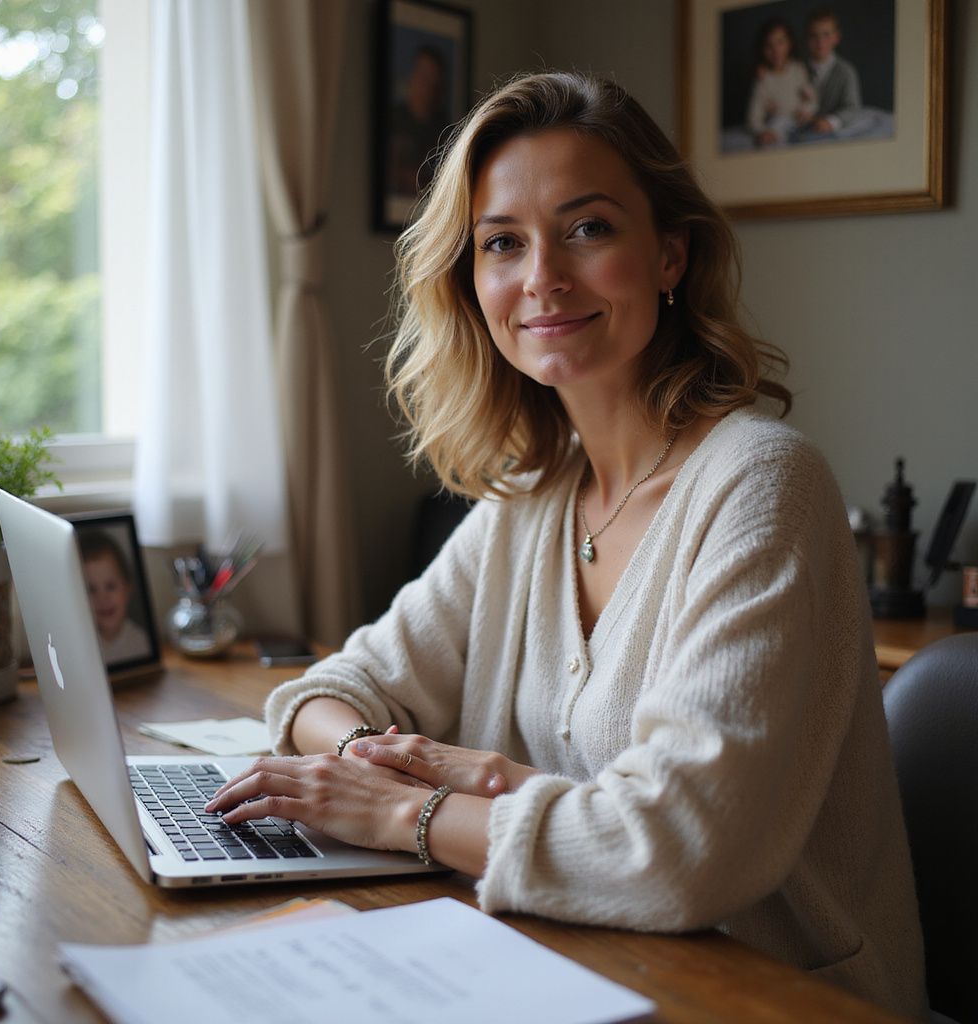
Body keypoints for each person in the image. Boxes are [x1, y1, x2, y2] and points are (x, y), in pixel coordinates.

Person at [208, 72, 925, 1018]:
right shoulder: (533, 498)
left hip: (763, 991)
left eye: (588, 228)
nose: (541, 275)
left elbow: (678, 854)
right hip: (570, 964)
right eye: (502, 242)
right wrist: (359, 766)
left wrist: (396, 811)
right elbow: (336, 688)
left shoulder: (764, 486)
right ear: (472, 281)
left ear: (669, 255)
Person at [79, 530, 149, 664]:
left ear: (128, 588)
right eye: (91, 589)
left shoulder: (142, 643)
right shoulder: (80, 644)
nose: (102, 598)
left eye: (110, 586)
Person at [387, 45, 449, 198]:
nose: (427, 87)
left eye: (434, 81)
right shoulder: (394, 119)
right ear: (412, 78)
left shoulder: (445, 130)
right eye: (423, 77)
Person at [745, 19, 817, 147]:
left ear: (789, 44)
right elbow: (753, 117)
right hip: (777, 126)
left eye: (780, 43)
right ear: (762, 49)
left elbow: (811, 97)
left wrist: (806, 110)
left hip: (799, 121)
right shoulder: (763, 79)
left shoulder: (798, 69)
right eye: (769, 46)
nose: (776, 50)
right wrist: (762, 131)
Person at [802, 6, 863, 136]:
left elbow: (852, 107)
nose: (820, 41)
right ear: (807, 39)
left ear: (836, 37)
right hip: (803, 127)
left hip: (830, 131)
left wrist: (831, 121)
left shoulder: (846, 71)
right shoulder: (798, 69)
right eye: (814, 35)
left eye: (826, 35)